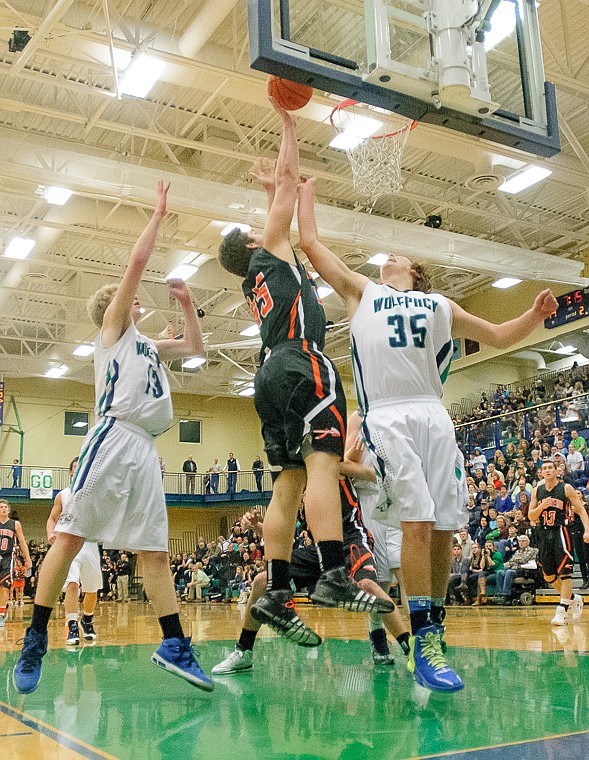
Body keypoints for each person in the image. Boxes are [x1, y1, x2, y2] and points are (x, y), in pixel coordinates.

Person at [297, 172, 558, 692]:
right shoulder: (361, 292)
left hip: (434, 415)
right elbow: (311, 244)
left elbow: (500, 334)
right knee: (415, 520)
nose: (386, 254)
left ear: (415, 271)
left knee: (441, 526)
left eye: (397, 254)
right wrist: (305, 193)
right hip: (388, 415)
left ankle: (434, 627)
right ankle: (424, 638)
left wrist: (534, 313)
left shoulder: (441, 306)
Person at [13, 181, 213, 694]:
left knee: (156, 552)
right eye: (130, 302)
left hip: (146, 449)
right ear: (115, 310)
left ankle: (174, 643)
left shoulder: (145, 345)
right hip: (112, 437)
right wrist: (158, 212)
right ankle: (36, 635)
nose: (138, 302)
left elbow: (194, 346)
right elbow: (135, 265)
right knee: (71, 534)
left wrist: (189, 303)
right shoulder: (113, 334)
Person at [218, 102, 391, 642]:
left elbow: (284, 217)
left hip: (268, 374)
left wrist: (273, 192)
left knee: (286, 485)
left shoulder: (258, 276)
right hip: (302, 361)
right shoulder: (267, 250)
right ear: (252, 242)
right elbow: (291, 184)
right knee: (322, 465)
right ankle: (335, 571)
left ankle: (274, 589)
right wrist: (288, 124)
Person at [212, 478, 407, 674]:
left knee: (368, 586)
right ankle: (243, 651)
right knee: (261, 581)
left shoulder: (332, 467)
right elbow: (283, 537)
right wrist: (257, 527)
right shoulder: (298, 488)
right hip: (318, 550)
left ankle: (410, 649)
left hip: (352, 542)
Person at [344, 411, 410, 664]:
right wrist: (376, 475)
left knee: (406, 573)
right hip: (370, 501)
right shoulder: (359, 418)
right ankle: (376, 633)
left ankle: (416, 639)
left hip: (400, 498)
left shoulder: (403, 413)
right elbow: (345, 466)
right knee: (378, 582)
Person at [47, 457, 102, 645]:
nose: (79, 470)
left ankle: (87, 619)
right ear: (71, 472)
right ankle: (72, 625)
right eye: (75, 468)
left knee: (91, 590)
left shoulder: (95, 494)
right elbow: (52, 519)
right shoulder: (62, 495)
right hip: (68, 544)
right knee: (72, 584)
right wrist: (50, 534)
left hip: (90, 544)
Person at [528, 460, 589, 625]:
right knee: (549, 576)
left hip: (562, 531)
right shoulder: (537, 491)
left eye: (550, 468)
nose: (547, 470)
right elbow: (531, 516)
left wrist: (587, 530)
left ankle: (562, 609)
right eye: (544, 468)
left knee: (565, 573)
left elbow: (581, 509)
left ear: (556, 471)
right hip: (544, 533)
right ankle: (574, 598)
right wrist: (542, 507)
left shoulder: (566, 488)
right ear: (541, 472)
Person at [0, 500, 31, 627]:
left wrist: (27, 557)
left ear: (8, 510)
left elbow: (22, 541)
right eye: (1, 507)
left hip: (8, 557)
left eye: (5, 507)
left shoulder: (15, 524)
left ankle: (1, 613)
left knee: (4, 585)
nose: (3, 509)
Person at [494, 535, 537, 603]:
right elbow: (511, 561)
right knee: (500, 572)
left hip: (524, 571)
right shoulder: (518, 551)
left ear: (528, 542)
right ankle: (499, 594)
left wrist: (515, 560)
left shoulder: (532, 550)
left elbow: (523, 560)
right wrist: (515, 561)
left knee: (509, 572)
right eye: (519, 541)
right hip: (514, 569)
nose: (521, 542)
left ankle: (506, 595)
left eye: (523, 541)